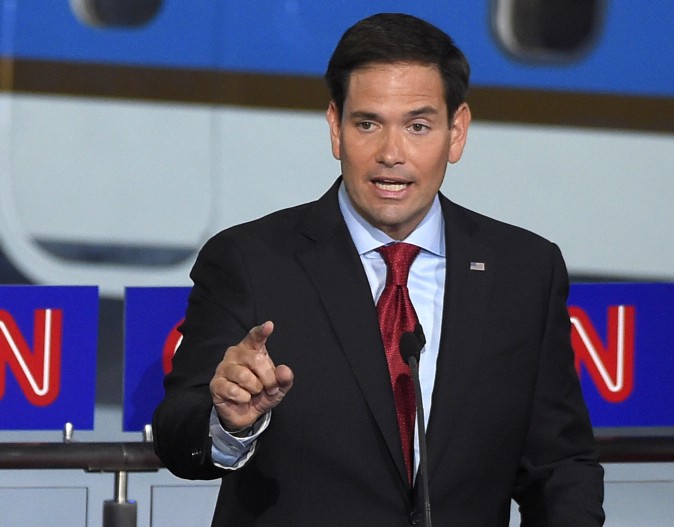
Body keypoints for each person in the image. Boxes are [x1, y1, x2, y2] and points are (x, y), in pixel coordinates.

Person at [153, 12, 604, 526]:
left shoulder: (524, 271)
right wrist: (227, 422)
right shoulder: (250, 260)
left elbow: (559, 465)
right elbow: (176, 432)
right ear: (335, 128)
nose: (391, 154)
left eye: (418, 126)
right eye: (367, 124)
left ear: (456, 133)